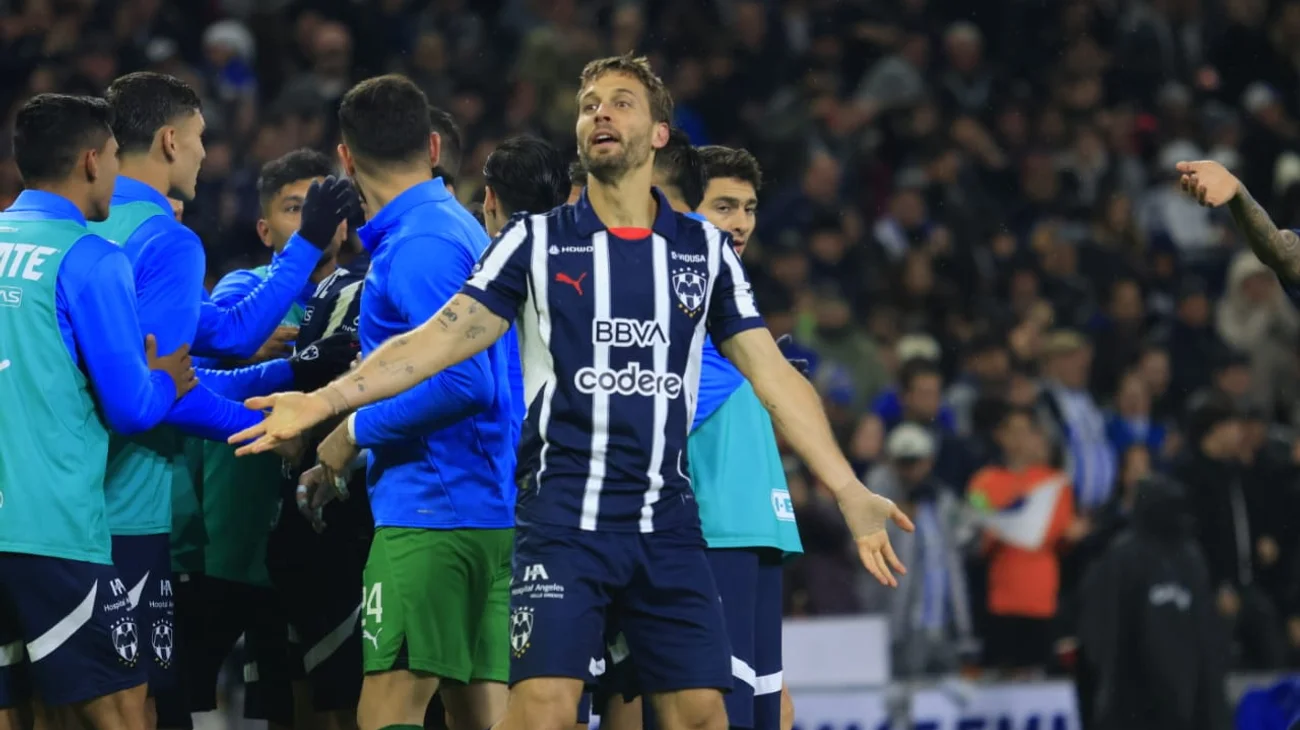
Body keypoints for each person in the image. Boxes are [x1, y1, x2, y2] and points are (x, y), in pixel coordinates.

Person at [230, 54, 911, 730]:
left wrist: (847, 488)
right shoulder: (534, 242)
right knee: (544, 710)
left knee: (702, 714)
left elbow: (773, 374)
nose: (600, 113)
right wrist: (325, 403)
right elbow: (440, 339)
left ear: (659, 133)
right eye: (589, 105)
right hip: (563, 521)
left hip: (667, 521)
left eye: (620, 102)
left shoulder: (703, 251)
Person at [89, 71, 357, 725]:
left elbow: (218, 344)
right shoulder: (166, 239)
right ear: (170, 141)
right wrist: (274, 427)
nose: (207, 153)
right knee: (132, 705)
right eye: (201, 137)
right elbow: (172, 390)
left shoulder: (84, 227)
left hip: (57, 501)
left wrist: (290, 371)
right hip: (123, 506)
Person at [298, 74, 520, 730]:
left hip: (432, 515)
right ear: (432, 146)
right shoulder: (453, 228)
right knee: (481, 717)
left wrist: (351, 433)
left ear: (345, 157)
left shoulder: (422, 245)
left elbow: (464, 382)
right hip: (482, 509)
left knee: (387, 711)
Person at [0, 93, 194, 730]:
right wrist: (165, 379)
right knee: (123, 708)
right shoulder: (88, 257)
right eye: (113, 157)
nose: (116, 170)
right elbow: (133, 409)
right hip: (52, 525)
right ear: (90, 161)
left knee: (16, 709)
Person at [599, 143, 802, 730]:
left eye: (749, 208)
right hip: (707, 526)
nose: (740, 223)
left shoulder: (731, 302)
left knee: (766, 712)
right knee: (709, 714)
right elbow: (657, 412)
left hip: (760, 525)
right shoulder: (671, 298)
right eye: (724, 206)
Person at [176, 149, 360, 730]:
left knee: (311, 704)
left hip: (309, 543)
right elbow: (192, 366)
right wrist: (248, 347)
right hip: (226, 542)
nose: (312, 221)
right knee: (171, 698)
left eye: (322, 209)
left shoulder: (364, 296)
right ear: (265, 229)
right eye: (294, 209)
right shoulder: (247, 290)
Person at [1077, 474, 1230, 730]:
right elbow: (1103, 631)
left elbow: (1206, 632)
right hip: (1137, 703)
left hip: (1177, 704)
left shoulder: (1189, 557)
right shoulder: (1126, 555)